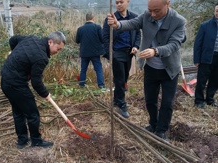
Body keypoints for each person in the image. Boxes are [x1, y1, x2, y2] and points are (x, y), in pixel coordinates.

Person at [107, 0, 186, 142]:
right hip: (151, 68)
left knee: (167, 103)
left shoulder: (178, 21)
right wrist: (118, 24)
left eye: (157, 11)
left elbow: (174, 44)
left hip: (169, 70)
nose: (153, 14)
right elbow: (132, 23)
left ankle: (161, 131)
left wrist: (155, 51)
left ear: (167, 3)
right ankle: (153, 124)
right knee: (150, 100)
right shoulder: (147, 15)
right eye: (150, 10)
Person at [0, 31, 66, 149]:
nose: (58, 52)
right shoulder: (41, 57)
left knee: (18, 111)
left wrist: (14, 53)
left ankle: (22, 141)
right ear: (50, 42)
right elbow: (36, 82)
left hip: (5, 80)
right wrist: (46, 94)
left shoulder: (30, 38)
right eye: (58, 48)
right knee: (32, 113)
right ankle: (36, 140)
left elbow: (13, 40)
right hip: (16, 84)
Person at [102, 0, 141, 118]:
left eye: (121, 2)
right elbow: (105, 38)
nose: (118, 4)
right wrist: (111, 54)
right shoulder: (110, 19)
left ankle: (116, 99)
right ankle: (122, 104)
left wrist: (136, 46)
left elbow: (138, 34)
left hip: (129, 53)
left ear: (128, 2)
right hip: (117, 53)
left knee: (124, 78)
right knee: (120, 80)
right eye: (117, 2)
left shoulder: (134, 17)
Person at [193, 3, 218, 109]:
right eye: (217, 10)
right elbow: (197, 44)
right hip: (206, 57)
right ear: (214, 11)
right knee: (202, 80)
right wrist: (196, 59)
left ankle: (210, 99)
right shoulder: (205, 25)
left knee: (215, 80)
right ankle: (199, 100)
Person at [76, 12, 107, 91]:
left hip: (84, 53)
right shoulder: (97, 27)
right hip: (95, 53)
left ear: (86, 19)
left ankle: (82, 85)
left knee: (83, 70)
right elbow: (102, 39)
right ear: (93, 18)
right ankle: (101, 86)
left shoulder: (80, 29)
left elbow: (77, 41)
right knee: (98, 69)